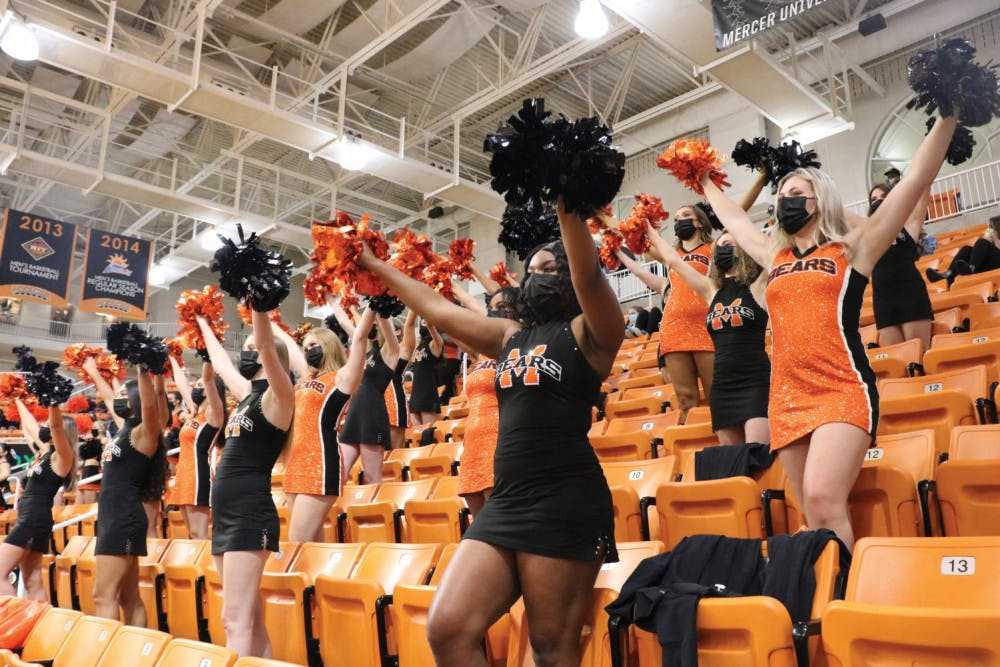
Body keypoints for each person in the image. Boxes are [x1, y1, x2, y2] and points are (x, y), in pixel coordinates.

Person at [358, 198, 624, 667]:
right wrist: (374, 264)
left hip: (563, 500)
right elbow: (437, 309)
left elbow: (588, 277)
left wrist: (567, 201)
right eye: (533, 269)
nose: (539, 275)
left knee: (550, 647)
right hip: (507, 500)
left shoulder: (593, 330)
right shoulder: (507, 336)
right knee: (448, 627)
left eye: (551, 267)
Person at [699, 114, 958, 550]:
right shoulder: (772, 253)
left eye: (797, 194)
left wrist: (946, 118)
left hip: (841, 387)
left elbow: (914, 180)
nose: (786, 201)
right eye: (782, 195)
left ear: (820, 200)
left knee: (823, 500)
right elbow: (733, 220)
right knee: (810, 515)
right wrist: (701, 177)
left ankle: (847, 603)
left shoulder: (856, 247)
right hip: (785, 393)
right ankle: (827, 602)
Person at [200, 307, 294, 658]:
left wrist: (258, 305)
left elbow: (269, 349)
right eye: (247, 347)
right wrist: (201, 321)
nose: (249, 352)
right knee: (250, 617)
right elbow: (222, 364)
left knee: (233, 620)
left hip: (249, 514)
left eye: (254, 347)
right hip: (226, 515)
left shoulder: (279, 397)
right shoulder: (248, 396)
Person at [644, 228, 771, 445]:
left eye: (730, 244)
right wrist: (648, 230)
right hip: (723, 386)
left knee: (758, 455)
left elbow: (774, 253)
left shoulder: (758, 286)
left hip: (754, 381)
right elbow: (674, 261)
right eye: (720, 246)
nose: (723, 249)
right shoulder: (710, 290)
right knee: (733, 463)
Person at [284, 311, 375, 543]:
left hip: (321, 463)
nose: (308, 351)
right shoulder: (304, 379)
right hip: (295, 463)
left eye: (313, 344)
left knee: (296, 544)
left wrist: (372, 305)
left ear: (328, 344)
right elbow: (285, 344)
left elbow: (360, 339)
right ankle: (318, 580)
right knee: (311, 547)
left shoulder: (341, 378)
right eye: (305, 347)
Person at [94, 372, 168, 624]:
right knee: (128, 598)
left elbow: (150, 405)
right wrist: (93, 370)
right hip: (114, 517)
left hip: (122, 518)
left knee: (103, 596)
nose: (118, 398)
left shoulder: (144, 433)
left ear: (137, 400)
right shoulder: (124, 430)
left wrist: (142, 367)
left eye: (125, 395)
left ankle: (107, 657)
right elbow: (106, 396)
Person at [0, 404, 76, 598]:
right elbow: (29, 426)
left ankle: (7, 622)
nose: (43, 426)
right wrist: (17, 399)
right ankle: (38, 623)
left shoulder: (63, 457)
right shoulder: (45, 453)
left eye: (48, 424)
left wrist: (52, 402)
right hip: (33, 517)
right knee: (32, 580)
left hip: (34, 518)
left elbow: (56, 427)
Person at [459, 286, 519, 517]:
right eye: (491, 308)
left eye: (502, 308)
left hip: (499, 439)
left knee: (500, 521)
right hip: (473, 443)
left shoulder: (517, 344)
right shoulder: (483, 351)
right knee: (479, 525)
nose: (494, 313)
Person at [863, 182, 934, 349]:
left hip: (911, 296)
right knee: (897, 361)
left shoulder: (909, 225)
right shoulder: (865, 233)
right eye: (873, 199)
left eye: (884, 197)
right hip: (883, 301)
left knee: (918, 356)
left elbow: (924, 187)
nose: (878, 202)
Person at [339, 316, 400, 484]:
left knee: (371, 477)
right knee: (339, 473)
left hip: (372, 417)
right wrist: (330, 297)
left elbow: (390, 336)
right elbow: (346, 324)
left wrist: (381, 311)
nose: (370, 325)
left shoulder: (389, 353)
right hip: (353, 417)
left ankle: (373, 510)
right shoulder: (365, 352)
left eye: (375, 323)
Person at [170, 358, 225, 540]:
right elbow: (181, 383)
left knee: (199, 533)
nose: (197, 387)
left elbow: (208, 380)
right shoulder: (195, 412)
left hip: (198, 474)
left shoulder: (214, 413)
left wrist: (205, 357)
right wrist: (172, 357)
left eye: (201, 384)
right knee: (191, 534)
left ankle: (210, 568)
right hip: (183, 475)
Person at [926, 215, 1000, 285]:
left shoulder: (994, 240)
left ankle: (971, 269)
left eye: (991, 227)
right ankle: (949, 275)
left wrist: (995, 239)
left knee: (982, 242)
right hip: (987, 266)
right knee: (966, 249)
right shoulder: (991, 241)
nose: (988, 229)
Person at [409, 322, 444, 425]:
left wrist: (430, 325)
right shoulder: (419, 345)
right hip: (415, 392)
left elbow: (439, 341)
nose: (423, 321)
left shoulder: (435, 343)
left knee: (427, 434)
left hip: (427, 391)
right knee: (415, 434)